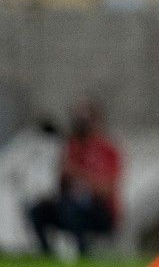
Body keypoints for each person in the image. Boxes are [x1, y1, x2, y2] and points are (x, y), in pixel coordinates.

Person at [26, 100, 120, 258]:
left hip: (99, 210)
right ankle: (46, 256)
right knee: (38, 210)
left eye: (85, 119)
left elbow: (107, 190)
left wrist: (78, 173)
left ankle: (83, 255)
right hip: (69, 206)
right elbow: (62, 185)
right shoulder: (71, 147)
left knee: (73, 210)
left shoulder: (107, 150)